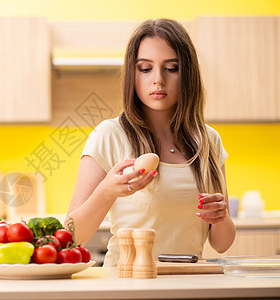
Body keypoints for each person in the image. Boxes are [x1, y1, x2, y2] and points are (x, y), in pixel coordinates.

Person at [65, 18, 236, 267]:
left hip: (189, 283)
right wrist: (107, 190)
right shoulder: (110, 135)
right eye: (145, 69)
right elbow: (70, 238)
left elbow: (221, 243)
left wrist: (220, 217)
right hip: (129, 283)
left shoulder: (208, 140)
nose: (158, 79)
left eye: (171, 68)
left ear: (187, 74)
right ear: (132, 74)